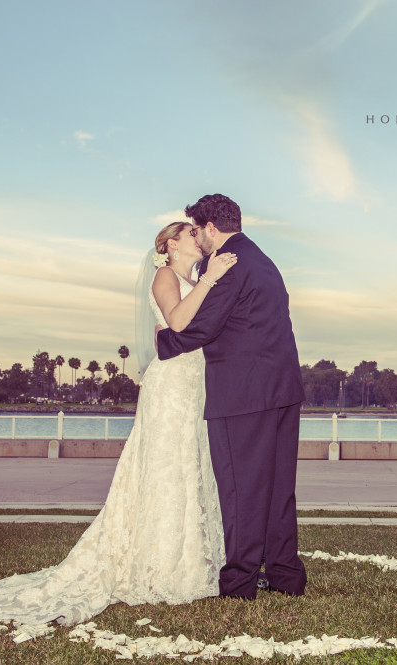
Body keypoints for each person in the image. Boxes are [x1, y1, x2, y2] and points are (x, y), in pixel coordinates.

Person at [0, 222, 238, 625]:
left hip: (195, 382)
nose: (200, 237)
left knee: (191, 464)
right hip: (171, 384)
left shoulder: (191, 279)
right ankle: (158, 564)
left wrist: (208, 283)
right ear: (171, 244)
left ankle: (194, 560)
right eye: (190, 233)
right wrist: (210, 279)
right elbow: (176, 322)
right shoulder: (165, 275)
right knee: (165, 466)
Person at [157, 193, 307, 599]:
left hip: (244, 394)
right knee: (278, 488)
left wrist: (163, 344)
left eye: (198, 231)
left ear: (209, 228)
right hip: (282, 389)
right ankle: (285, 573)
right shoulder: (262, 259)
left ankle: (240, 581)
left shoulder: (226, 264)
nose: (199, 241)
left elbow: (202, 326)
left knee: (242, 489)